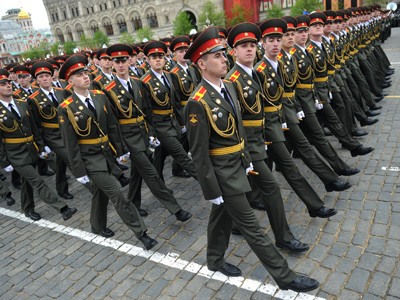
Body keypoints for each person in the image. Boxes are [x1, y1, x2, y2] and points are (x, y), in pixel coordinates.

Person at [184, 26, 319, 293]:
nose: (224, 59)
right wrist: (211, 189)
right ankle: (285, 277)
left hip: (237, 163)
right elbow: (199, 152)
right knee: (252, 227)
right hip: (223, 173)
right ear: (202, 63)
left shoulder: (229, 88)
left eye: (224, 53)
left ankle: (213, 259)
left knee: (221, 216)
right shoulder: (197, 102)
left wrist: (246, 159)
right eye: (217, 55)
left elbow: (238, 130)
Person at [57, 55, 157, 250]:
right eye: (78, 75)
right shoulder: (66, 108)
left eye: (85, 72)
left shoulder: (99, 96)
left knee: (100, 194)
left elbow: (112, 126)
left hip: (107, 155)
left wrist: (119, 151)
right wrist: (79, 171)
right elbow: (70, 144)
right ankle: (142, 233)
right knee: (117, 194)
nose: (85, 77)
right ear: (70, 81)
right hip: (90, 160)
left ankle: (97, 225)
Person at [225, 22, 309, 253]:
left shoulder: (253, 74)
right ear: (234, 52)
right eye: (243, 46)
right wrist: (244, 154)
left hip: (259, 139)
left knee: (242, 190)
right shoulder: (232, 81)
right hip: (248, 145)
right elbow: (235, 122)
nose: (249, 49)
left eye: (252, 44)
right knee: (271, 187)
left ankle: (233, 224)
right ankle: (283, 237)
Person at [255, 19, 337, 218]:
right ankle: (315, 203)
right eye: (271, 40)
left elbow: (285, 93)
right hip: (265, 129)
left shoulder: (281, 63)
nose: (275, 44)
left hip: (281, 120)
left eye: (277, 39)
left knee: (278, 167)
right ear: (263, 43)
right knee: (281, 168)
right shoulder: (258, 71)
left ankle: (317, 202)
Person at [102, 43, 192, 222]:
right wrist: (120, 149)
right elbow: (112, 124)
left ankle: (133, 203)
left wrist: (151, 132)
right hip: (128, 139)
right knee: (151, 174)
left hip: (142, 134)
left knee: (137, 172)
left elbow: (147, 111)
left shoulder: (137, 83)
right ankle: (176, 209)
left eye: (123, 61)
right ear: (112, 64)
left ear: (129, 61)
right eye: (116, 61)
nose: (120, 65)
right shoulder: (108, 89)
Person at [0, 68, 77, 221]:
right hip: (15, 154)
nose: (8, 85)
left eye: (8, 82)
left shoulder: (21, 103)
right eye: (3, 84)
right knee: (38, 181)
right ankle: (63, 208)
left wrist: (41, 147)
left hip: (30, 149)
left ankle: (27, 208)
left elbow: (34, 128)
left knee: (28, 182)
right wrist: (4, 161)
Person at [140, 41, 197, 181]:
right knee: (181, 155)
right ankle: (208, 182)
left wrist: (181, 123)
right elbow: (145, 110)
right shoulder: (144, 81)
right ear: (148, 60)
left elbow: (175, 102)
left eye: (161, 56)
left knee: (160, 154)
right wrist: (151, 133)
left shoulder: (168, 75)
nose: (158, 59)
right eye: (154, 57)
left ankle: (157, 180)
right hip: (159, 125)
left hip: (171, 122)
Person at [28, 61, 74, 200]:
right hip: (51, 136)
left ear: (52, 77)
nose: (45, 79)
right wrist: (42, 145)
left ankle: (61, 189)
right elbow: (36, 125)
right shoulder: (33, 99)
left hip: (66, 132)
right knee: (71, 159)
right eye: (41, 77)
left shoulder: (62, 92)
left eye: (47, 76)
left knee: (60, 162)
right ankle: (94, 188)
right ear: (36, 81)